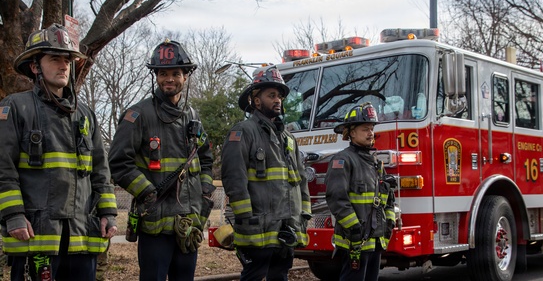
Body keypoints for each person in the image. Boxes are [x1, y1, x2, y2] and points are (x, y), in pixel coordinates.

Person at [0, 24, 118, 281]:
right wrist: (13, 215)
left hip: (80, 236)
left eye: (67, 60)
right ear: (35, 67)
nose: (64, 66)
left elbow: (101, 170)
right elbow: (3, 169)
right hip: (36, 234)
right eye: (55, 59)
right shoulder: (15, 108)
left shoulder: (85, 115)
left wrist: (108, 214)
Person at [109, 39, 214, 281]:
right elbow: (118, 162)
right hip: (155, 224)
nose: (169, 79)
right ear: (155, 76)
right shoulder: (137, 114)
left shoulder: (193, 116)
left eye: (175, 73)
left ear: (185, 76)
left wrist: (206, 189)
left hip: (188, 223)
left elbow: (205, 157)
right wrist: (147, 193)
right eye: (163, 73)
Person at [221, 65, 311, 281]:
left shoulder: (289, 139)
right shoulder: (243, 131)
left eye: (279, 95)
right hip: (256, 228)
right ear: (256, 100)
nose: (278, 99)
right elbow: (234, 177)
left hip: (287, 227)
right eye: (271, 95)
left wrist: (304, 215)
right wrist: (245, 217)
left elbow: (301, 179)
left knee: (280, 275)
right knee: (254, 275)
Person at [325, 102, 396, 281]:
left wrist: (389, 222)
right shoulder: (342, 160)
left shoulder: (376, 163)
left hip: (375, 241)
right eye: (365, 129)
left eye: (371, 128)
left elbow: (387, 198)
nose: (370, 133)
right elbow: (337, 198)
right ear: (352, 132)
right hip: (353, 242)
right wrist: (354, 228)